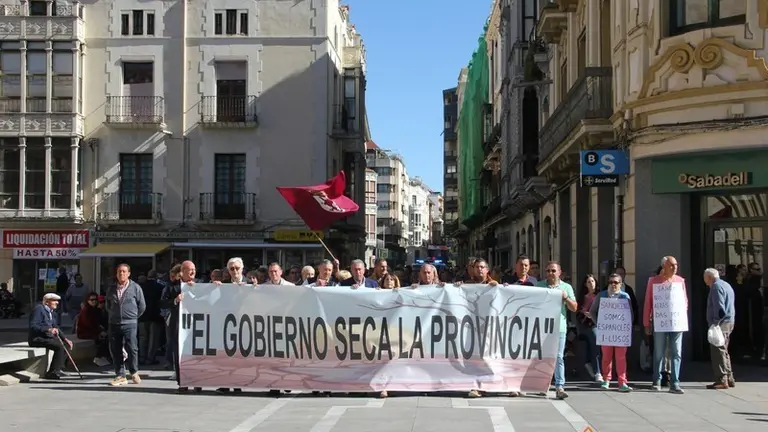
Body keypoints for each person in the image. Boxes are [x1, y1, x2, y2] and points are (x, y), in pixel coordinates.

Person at [590, 274, 633, 392]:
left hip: (620, 332)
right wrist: (600, 323)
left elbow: (630, 314)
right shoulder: (601, 295)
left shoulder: (625, 297)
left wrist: (627, 328)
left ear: (621, 284)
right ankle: (606, 380)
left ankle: (622, 382)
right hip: (606, 331)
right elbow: (592, 311)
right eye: (610, 282)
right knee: (606, 357)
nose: (613, 285)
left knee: (621, 357)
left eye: (615, 282)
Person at [105, 264, 146, 387]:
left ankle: (134, 372)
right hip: (114, 323)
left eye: (124, 271)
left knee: (132, 348)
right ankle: (120, 375)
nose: (121, 274)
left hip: (130, 323)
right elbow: (108, 305)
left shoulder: (135, 288)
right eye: (119, 272)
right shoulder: (111, 288)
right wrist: (113, 314)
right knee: (116, 349)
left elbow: (142, 306)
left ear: (128, 273)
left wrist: (133, 317)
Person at [704, 268, 736, 389]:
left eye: (705, 278)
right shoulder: (726, 285)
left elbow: (720, 307)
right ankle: (729, 377)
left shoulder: (716, 287)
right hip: (729, 321)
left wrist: (715, 323)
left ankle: (722, 379)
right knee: (724, 350)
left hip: (720, 323)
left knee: (718, 350)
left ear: (709, 277)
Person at [28, 293, 73, 380]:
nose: (57, 303)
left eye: (57, 301)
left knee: (66, 344)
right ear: (47, 302)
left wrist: (65, 339)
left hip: (47, 337)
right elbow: (33, 326)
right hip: (37, 338)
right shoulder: (39, 309)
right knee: (59, 346)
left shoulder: (51, 312)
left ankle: (58, 368)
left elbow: (56, 327)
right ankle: (52, 372)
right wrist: (48, 329)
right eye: (54, 300)